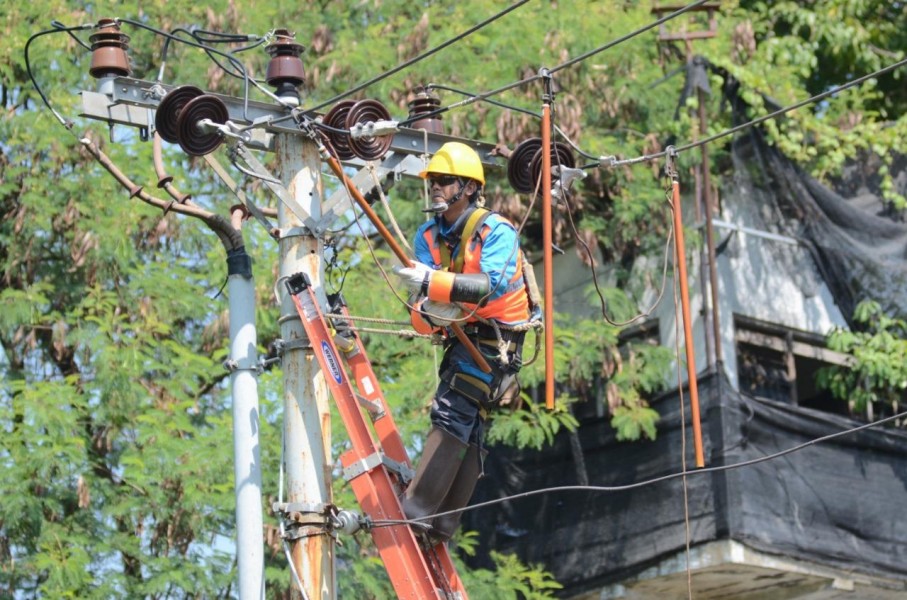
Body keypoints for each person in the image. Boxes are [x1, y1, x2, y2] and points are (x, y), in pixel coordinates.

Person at [394, 141, 532, 542]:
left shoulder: (497, 232)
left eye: (444, 180)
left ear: (469, 187)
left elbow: (486, 288)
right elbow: (425, 310)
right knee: (469, 426)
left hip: (497, 343)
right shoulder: (429, 235)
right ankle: (442, 523)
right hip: (460, 339)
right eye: (432, 181)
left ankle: (418, 510)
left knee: (454, 411)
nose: (435, 187)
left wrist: (431, 283)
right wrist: (426, 307)